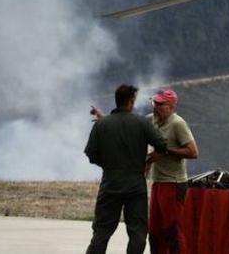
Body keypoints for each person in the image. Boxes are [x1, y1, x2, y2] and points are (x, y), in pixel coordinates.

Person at [85, 84, 168, 254]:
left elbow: (91, 155)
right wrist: (147, 161)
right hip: (135, 185)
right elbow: (162, 146)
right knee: (137, 233)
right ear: (131, 101)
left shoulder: (102, 125)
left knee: (101, 232)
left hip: (110, 184)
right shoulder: (142, 123)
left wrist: (108, 165)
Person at [147, 88, 198, 254]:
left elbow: (193, 152)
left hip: (173, 183)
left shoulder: (178, 124)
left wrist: (165, 150)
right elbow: (131, 126)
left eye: (161, 104)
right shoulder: (152, 120)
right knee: (154, 231)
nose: (156, 106)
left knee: (171, 230)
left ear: (171, 107)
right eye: (155, 102)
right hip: (158, 182)